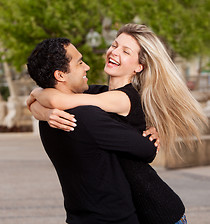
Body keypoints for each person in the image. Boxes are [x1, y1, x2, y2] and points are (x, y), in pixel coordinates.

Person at [28, 24, 207, 224]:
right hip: (138, 212)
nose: (114, 52)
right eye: (114, 45)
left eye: (125, 51)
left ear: (139, 67)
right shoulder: (97, 93)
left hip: (159, 211)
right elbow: (62, 96)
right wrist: (42, 109)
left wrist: (39, 98)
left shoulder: (124, 99)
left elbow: (60, 99)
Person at [27, 37, 158, 224]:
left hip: (78, 216)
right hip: (114, 219)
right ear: (60, 75)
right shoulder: (87, 117)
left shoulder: (48, 117)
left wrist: (37, 96)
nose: (86, 67)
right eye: (80, 62)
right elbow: (148, 149)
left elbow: (46, 97)